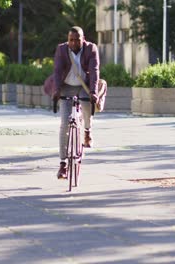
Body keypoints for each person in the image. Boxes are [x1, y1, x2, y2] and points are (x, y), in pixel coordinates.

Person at [52, 26, 100, 179]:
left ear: (83, 39)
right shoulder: (61, 49)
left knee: (87, 106)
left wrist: (93, 92)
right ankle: (63, 164)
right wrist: (57, 90)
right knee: (64, 123)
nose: (73, 43)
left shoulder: (91, 49)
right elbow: (57, 71)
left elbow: (94, 71)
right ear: (68, 40)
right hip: (67, 87)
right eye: (70, 40)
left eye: (77, 40)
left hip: (84, 86)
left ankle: (87, 131)